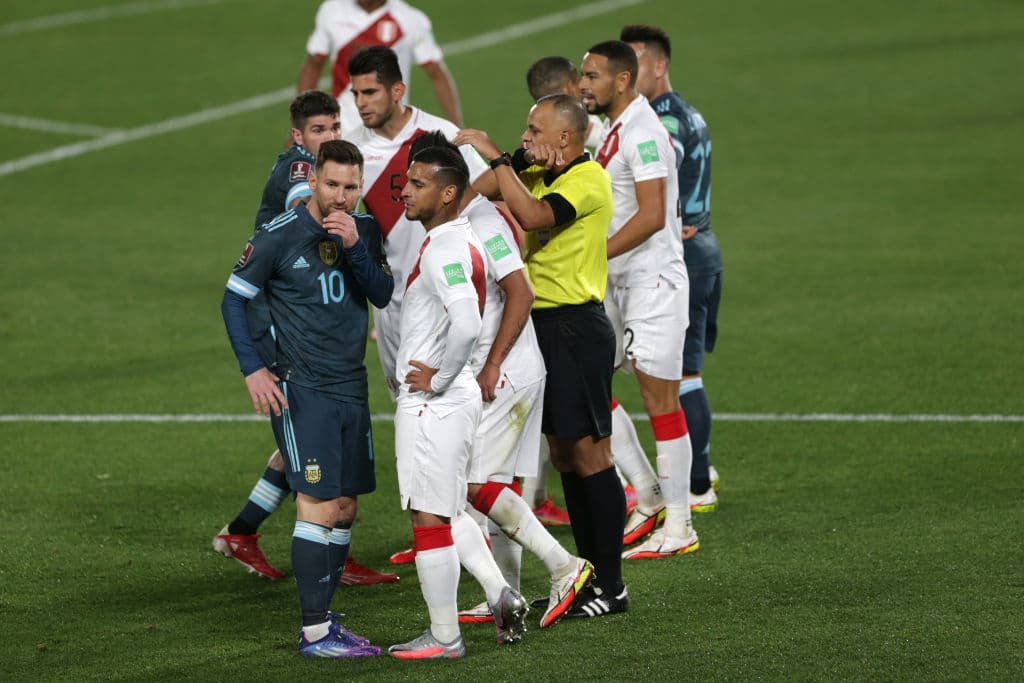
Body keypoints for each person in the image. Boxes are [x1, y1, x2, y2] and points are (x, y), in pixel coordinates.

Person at [406, 133, 594, 632]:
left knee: (470, 487)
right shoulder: (460, 222)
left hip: (505, 371)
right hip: (502, 369)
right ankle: (505, 594)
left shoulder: (484, 222)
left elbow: (521, 291)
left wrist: (492, 364)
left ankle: (563, 567)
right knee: (495, 486)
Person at [212, 91, 398, 587]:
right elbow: (300, 213)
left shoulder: (355, 220)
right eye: (319, 131)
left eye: (335, 127)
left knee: (319, 459)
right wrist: (254, 365)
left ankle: (245, 530)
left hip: (329, 341)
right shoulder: (299, 181)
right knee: (312, 454)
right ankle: (316, 607)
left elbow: (380, 288)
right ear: (300, 140)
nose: (330, 136)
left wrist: (355, 242)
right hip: (281, 323)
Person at [455, 93, 628, 619]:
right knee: (565, 457)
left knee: (592, 455)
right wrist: (513, 159)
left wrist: (497, 157)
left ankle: (611, 587)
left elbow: (528, 218)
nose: (526, 136)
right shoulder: (536, 172)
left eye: (535, 130)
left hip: (576, 326)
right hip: (546, 330)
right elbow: (478, 192)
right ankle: (586, 577)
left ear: (565, 138)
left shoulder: (587, 179)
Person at [579, 40, 699, 560]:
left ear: (622, 80)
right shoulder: (612, 130)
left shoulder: (646, 133)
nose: (583, 84)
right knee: (588, 384)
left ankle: (680, 525)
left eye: (592, 76)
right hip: (616, 283)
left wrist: (593, 255)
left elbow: (652, 214)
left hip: (651, 282)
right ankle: (648, 493)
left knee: (660, 401)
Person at [388, 145, 504, 660]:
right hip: (451, 402)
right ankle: (501, 593)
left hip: (433, 404)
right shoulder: (458, 240)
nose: (406, 191)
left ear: (449, 193)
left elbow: (468, 323)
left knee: (428, 517)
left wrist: (436, 379)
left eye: (417, 184)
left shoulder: (443, 249)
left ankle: (444, 637)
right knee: (448, 509)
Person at [342, 46, 488, 401]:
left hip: (449, 292)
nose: (361, 103)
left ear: (397, 91)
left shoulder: (440, 135)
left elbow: (487, 196)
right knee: (409, 402)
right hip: (393, 305)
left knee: (460, 399)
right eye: (355, 94)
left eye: (370, 92)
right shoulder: (352, 149)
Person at [622, 24, 723, 509]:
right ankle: (699, 470)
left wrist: (667, 220)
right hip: (703, 244)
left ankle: (697, 484)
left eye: (635, 62)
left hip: (682, 253)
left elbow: (658, 183)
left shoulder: (661, 123)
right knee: (687, 373)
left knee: (681, 378)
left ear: (659, 66)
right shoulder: (688, 111)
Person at [297, 0, 462, 133]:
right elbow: (313, 65)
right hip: (342, 130)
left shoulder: (409, 20)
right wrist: (300, 123)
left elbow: (437, 74)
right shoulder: (332, 11)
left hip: (390, 133)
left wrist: (458, 130)